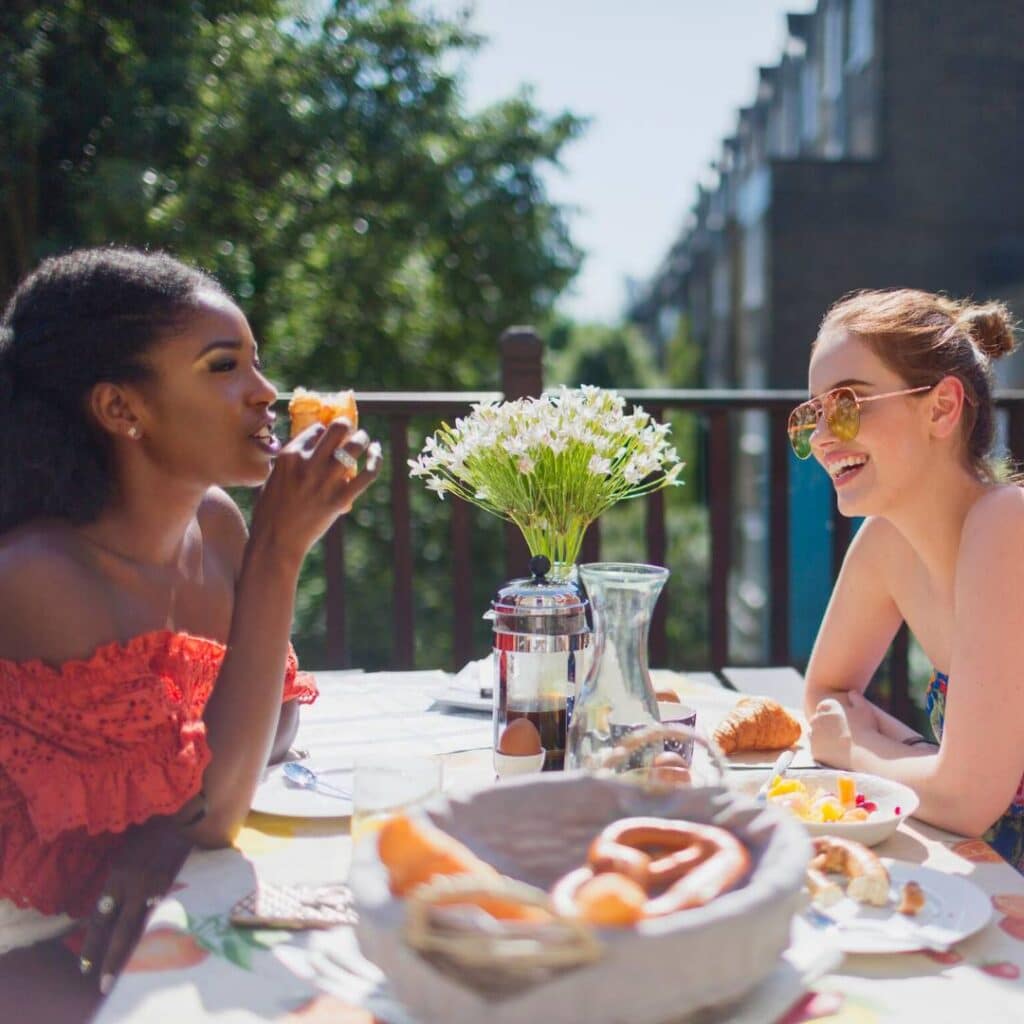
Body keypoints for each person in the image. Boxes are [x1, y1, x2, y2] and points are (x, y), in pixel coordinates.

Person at [0, 247, 381, 986]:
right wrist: (279, 552)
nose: (264, 392)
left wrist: (167, 829)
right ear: (120, 409)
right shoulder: (38, 580)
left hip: (152, 912)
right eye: (222, 366)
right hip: (29, 945)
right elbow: (215, 807)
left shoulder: (216, 525)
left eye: (256, 362)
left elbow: (266, 727)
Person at [797, 287, 1024, 869]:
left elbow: (968, 800)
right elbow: (825, 695)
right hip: (984, 870)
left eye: (847, 402)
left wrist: (856, 747)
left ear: (943, 408)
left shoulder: (1009, 523)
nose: (823, 436)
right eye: (813, 413)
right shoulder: (885, 541)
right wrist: (922, 761)